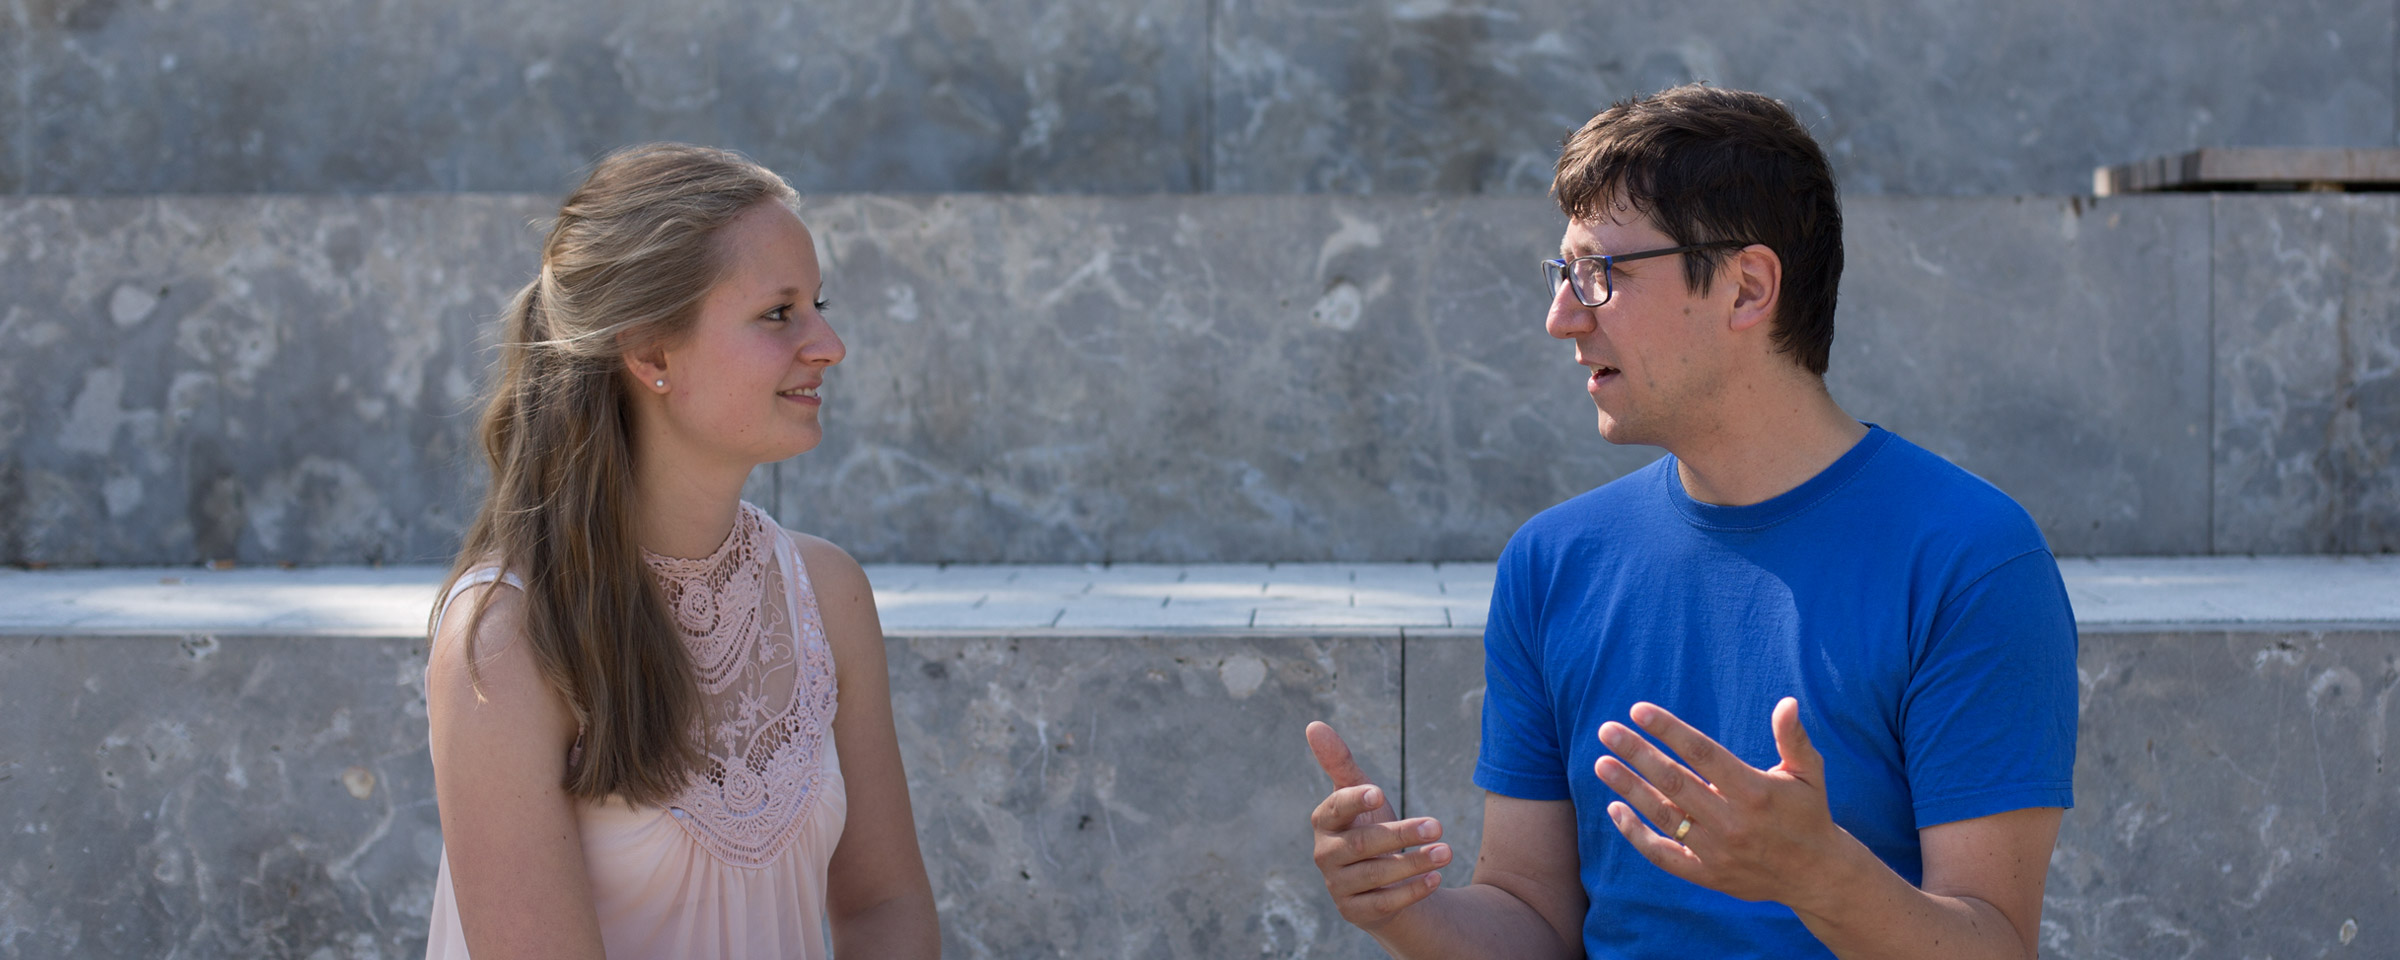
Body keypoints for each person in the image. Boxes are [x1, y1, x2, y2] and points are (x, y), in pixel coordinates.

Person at [1304, 85, 2077, 959]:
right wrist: (1405, 911)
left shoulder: (1970, 561)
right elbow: (1534, 918)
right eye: (1563, 275)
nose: (1561, 319)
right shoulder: (1553, 563)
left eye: (1602, 275)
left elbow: (1994, 942)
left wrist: (1820, 876)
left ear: (1748, 287)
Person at [421, 143, 938, 959]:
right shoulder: (505, 640)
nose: (829, 344)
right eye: (779, 313)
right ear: (652, 354)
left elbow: (884, 905)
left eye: (818, 305)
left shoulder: (827, 595)